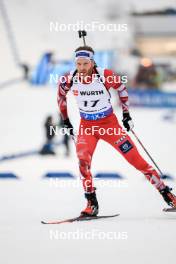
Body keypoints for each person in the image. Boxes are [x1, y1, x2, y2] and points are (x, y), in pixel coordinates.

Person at [57, 46, 176, 216]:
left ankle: (168, 195)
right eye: (78, 64)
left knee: (137, 161)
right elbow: (61, 97)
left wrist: (126, 114)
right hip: (87, 127)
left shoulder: (105, 75)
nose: (81, 68)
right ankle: (91, 203)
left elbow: (121, 89)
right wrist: (66, 120)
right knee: (83, 161)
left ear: (92, 62)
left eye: (85, 63)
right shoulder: (69, 78)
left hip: (109, 126)